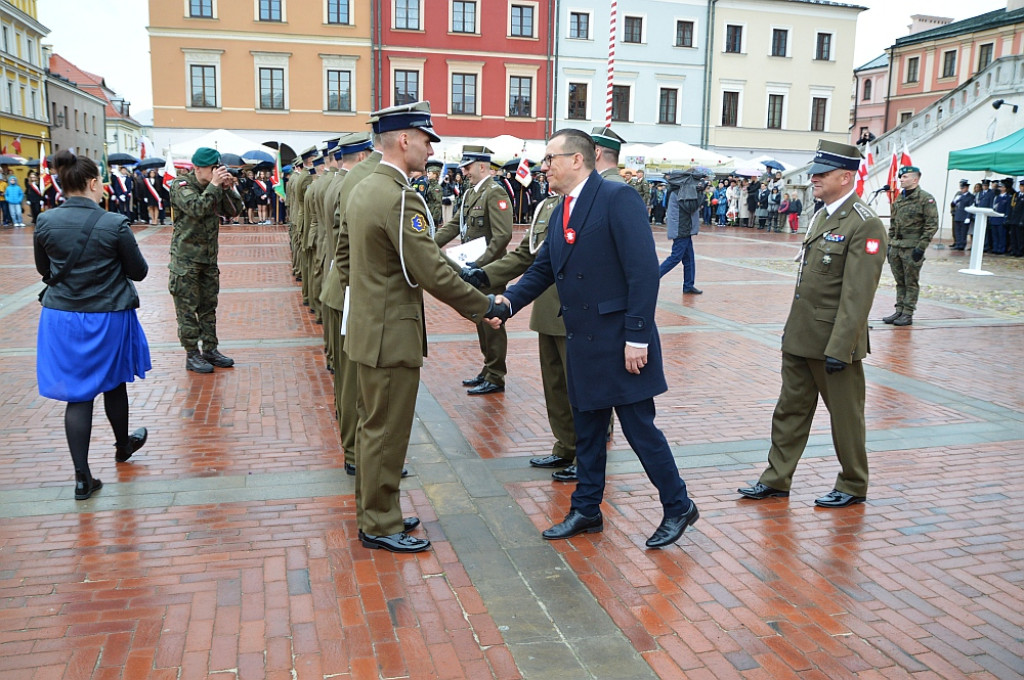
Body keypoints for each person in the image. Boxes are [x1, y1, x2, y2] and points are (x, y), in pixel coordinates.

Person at [492, 128, 699, 549]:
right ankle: (586, 509)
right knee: (586, 429)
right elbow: (543, 269)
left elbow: (643, 272)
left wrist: (637, 337)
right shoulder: (562, 207)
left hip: (621, 341)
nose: (543, 166)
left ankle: (678, 505)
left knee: (641, 430)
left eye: (550, 158)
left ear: (577, 160)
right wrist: (508, 304)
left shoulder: (617, 198)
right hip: (584, 339)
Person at [345, 101, 504, 553]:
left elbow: (344, 257)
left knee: (373, 426)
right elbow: (432, 271)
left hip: (368, 327)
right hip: (391, 333)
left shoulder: (363, 187)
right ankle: (379, 522)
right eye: (425, 138)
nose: (429, 148)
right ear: (404, 139)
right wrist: (484, 307)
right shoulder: (398, 195)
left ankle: (378, 511)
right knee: (386, 432)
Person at [738, 140, 886, 508]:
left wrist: (842, 347)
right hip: (802, 336)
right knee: (789, 410)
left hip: (835, 341)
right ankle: (776, 478)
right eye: (815, 172)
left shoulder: (864, 224)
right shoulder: (821, 215)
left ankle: (853, 483)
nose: (814, 178)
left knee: (845, 418)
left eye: (822, 173)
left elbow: (857, 296)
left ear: (846, 176)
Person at [34, 150, 151, 500]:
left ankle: (83, 478)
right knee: (113, 383)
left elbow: (45, 271)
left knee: (77, 395)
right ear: (92, 182)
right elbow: (138, 272)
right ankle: (122, 446)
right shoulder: (113, 223)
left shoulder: (45, 221)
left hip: (61, 317)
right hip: (107, 316)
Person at [465, 193, 581, 480]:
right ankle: (566, 445)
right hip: (546, 306)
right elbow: (528, 256)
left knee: (581, 388)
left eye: (553, 158)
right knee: (555, 385)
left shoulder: (599, 199)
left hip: (580, 309)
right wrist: (483, 274)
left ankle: (586, 454)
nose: (545, 167)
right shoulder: (552, 206)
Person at [434, 145, 513, 395]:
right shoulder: (470, 194)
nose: (464, 172)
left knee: (493, 323)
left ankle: (496, 375)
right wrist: (427, 243)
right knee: (481, 319)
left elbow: (502, 236)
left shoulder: (495, 192)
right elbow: (455, 225)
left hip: (489, 271)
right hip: (474, 269)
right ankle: (488, 368)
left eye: (468, 167)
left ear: (482, 166)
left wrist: (480, 266)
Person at [168, 147, 244, 373]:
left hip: (208, 259)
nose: (216, 173)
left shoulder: (215, 187)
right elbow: (197, 208)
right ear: (198, 168)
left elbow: (234, 211)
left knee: (208, 307)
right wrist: (213, 186)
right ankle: (192, 354)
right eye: (213, 169)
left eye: (218, 168)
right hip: (186, 261)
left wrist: (228, 189)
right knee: (187, 309)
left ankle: (210, 349)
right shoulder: (181, 186)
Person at [883, 166, 938, 327]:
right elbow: (893, 223)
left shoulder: (925, 199)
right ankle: (899, 309)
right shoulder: (899, 198)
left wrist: (921, 247)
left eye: (905, 177)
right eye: (901, 177)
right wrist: (889, 243)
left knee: (911, 281)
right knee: (899, 281)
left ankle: (908, 312)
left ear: (915, 179)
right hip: (897, 246)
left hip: (912, 247)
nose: (901, 179)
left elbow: (932, 225)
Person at [658, 170, 703, 295]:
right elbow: (691, 206)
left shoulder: (680, 189)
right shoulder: (680, 191)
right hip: (681, 228)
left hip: (684, 228)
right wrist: (700, 192)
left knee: (689, 259)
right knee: (675, 257)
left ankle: (688, 285)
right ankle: (652, 278)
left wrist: (699, 191)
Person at [950, 179, 974, 251]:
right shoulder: (959, 195)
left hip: (964, 216)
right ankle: (957, 243)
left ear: (967, 188)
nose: (962, 189)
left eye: (963, 188)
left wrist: (968, 217)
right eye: (961, 188)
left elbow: (971, 207)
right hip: (958, 215)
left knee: (963, 232)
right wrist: (955, 200)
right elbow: (953, 205)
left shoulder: (970, 196)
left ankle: (962, 244)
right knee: (957, 231)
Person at [989, 178, 1012, 255]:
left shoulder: (1008, 197)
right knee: (995, 235)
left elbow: (1008, 209)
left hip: (1001, 218)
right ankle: (995, 248)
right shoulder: (996, 197)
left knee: (1001, 235)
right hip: (994, 217)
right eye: (999, 187)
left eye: (1002, 187)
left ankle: (1001, 248)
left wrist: (1006, 218)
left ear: (1005, 188)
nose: (1000, 188)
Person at [1007, 179, 1024, 258]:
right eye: (1021, 186)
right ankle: (1014, 250)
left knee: (1019, 237)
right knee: (1013, 236)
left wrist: (1022, 220)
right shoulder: (1016, 195)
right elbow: (1011, 207)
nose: (1022, 188)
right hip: (1013, 219)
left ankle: (1019, 251)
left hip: (1020, 219)